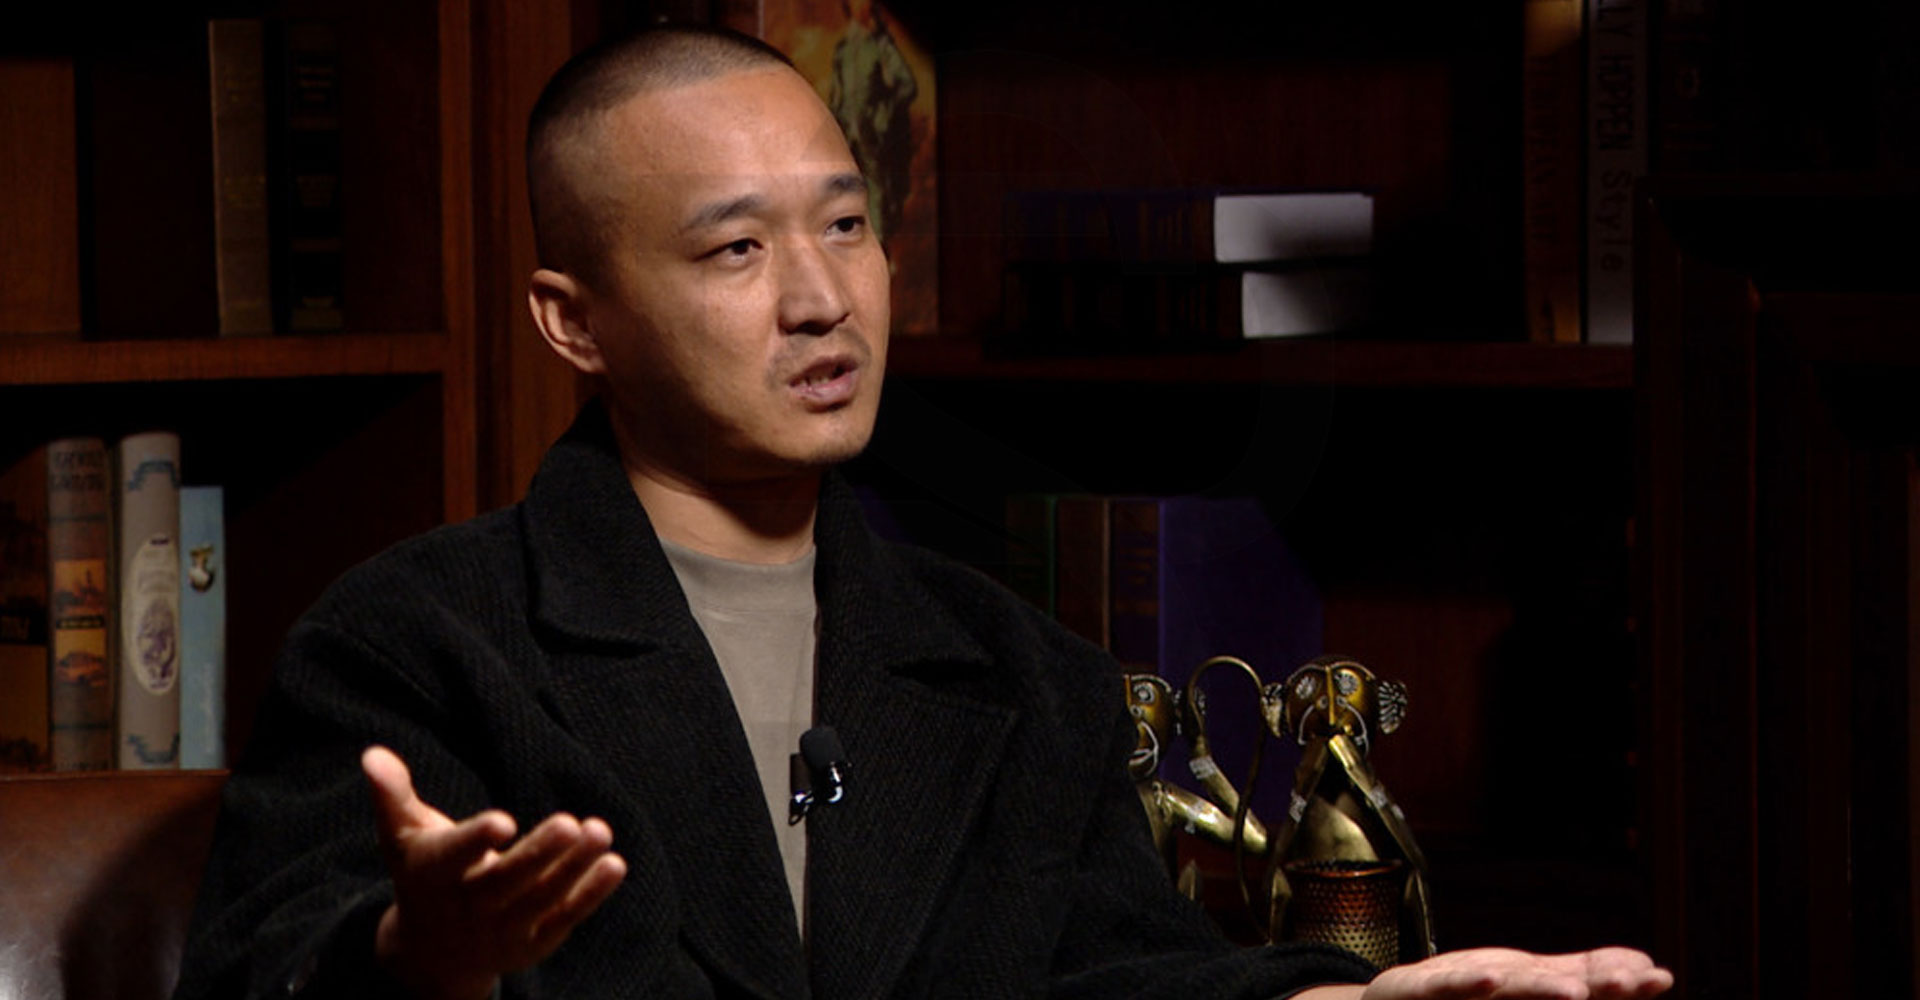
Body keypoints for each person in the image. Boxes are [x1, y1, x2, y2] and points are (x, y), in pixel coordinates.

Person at [171, 25, 1675, 1000]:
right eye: (736, 250)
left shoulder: (1021, 669)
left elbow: (1120, 980)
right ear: (576, 322)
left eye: (847, 225)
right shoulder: (416, 643)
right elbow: (257, 969)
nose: (823, 298)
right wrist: (410, 959)